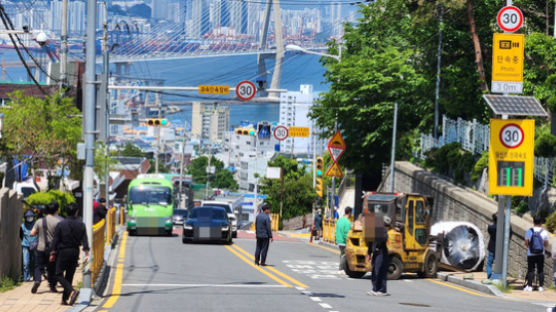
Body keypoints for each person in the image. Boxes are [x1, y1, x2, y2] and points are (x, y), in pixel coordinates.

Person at [50, 203, 89, 305]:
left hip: (63, 251)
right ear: (76, 212)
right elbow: (85, 240)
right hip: (75, 251)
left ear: (66, 212)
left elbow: (56, 240)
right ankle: (64, 299)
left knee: (58, 274)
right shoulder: (81, 224)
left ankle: (72, 291)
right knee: (69, 275)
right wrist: (87, 253)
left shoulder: (61, 224)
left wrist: (52, 252)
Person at [30, 201, 61, 294]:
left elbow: (32, 233)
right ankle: (52, 286)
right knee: (52, 268)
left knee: (38, 266)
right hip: (53, 249)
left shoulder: (40, 221)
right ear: (57, 210)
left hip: (41, 247)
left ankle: (37, 280)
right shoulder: (58, 221)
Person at [524, 216, 549, 292]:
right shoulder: (544, 232)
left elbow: (526, 243)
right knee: (540, 270)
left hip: (531, 254)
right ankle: (541, 287)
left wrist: (531, 248)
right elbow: (546, 244)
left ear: (533, 222)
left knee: (531, 270)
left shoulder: (529, 231)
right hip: (541, 254)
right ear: (541, 222)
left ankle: (530, 286)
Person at [368, 215, 391, 297]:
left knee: (379, 271)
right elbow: (370, 243)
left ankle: (382, 290)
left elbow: (385, 238)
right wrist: (369, 253)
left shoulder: (382, 229)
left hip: (382, 252)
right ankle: (374, 288)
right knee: (374, 270)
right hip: (375, 253)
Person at [20, 210, 37, 282]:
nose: (29, 218)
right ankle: (26, 278)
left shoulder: (36, 225)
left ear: (33, 217)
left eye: (31, 216)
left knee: (35, 262)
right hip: (25, 246)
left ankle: (35, 277)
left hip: (35, 245)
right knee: (26, 263)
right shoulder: (22, 226)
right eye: (28, 217)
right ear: (25, 218)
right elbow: (20, 236)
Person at [335, 207, 352, 272]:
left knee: (342, 254)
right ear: (350, 212)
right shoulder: (347, 222)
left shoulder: (339, 220)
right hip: (344, 241)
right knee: (344, 255)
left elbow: (336, 230)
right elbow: (346, 233)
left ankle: (342, 267)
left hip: (339, 240)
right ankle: (341, 269)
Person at [486, 213, 497, 279]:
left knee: (489, 263)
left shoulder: (490, 227)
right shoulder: (502, 228)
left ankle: (489, 275)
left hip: (492, 247)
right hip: (499, 248)